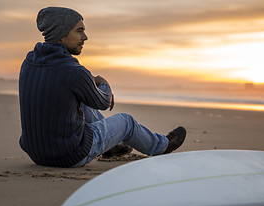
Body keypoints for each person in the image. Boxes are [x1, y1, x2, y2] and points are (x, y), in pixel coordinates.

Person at [18, 7, 186, 168]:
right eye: (79, 31)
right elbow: (103, 102)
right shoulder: (73, 71)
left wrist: (89, 80)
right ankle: (162, 146)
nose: (85, 37)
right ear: (61, 35)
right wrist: (103, 83)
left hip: (36, 154)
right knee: (126, 121)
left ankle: (111, 147)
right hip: (69, 155)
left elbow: (58, 82)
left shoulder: (28, 63)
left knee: (80, 102)